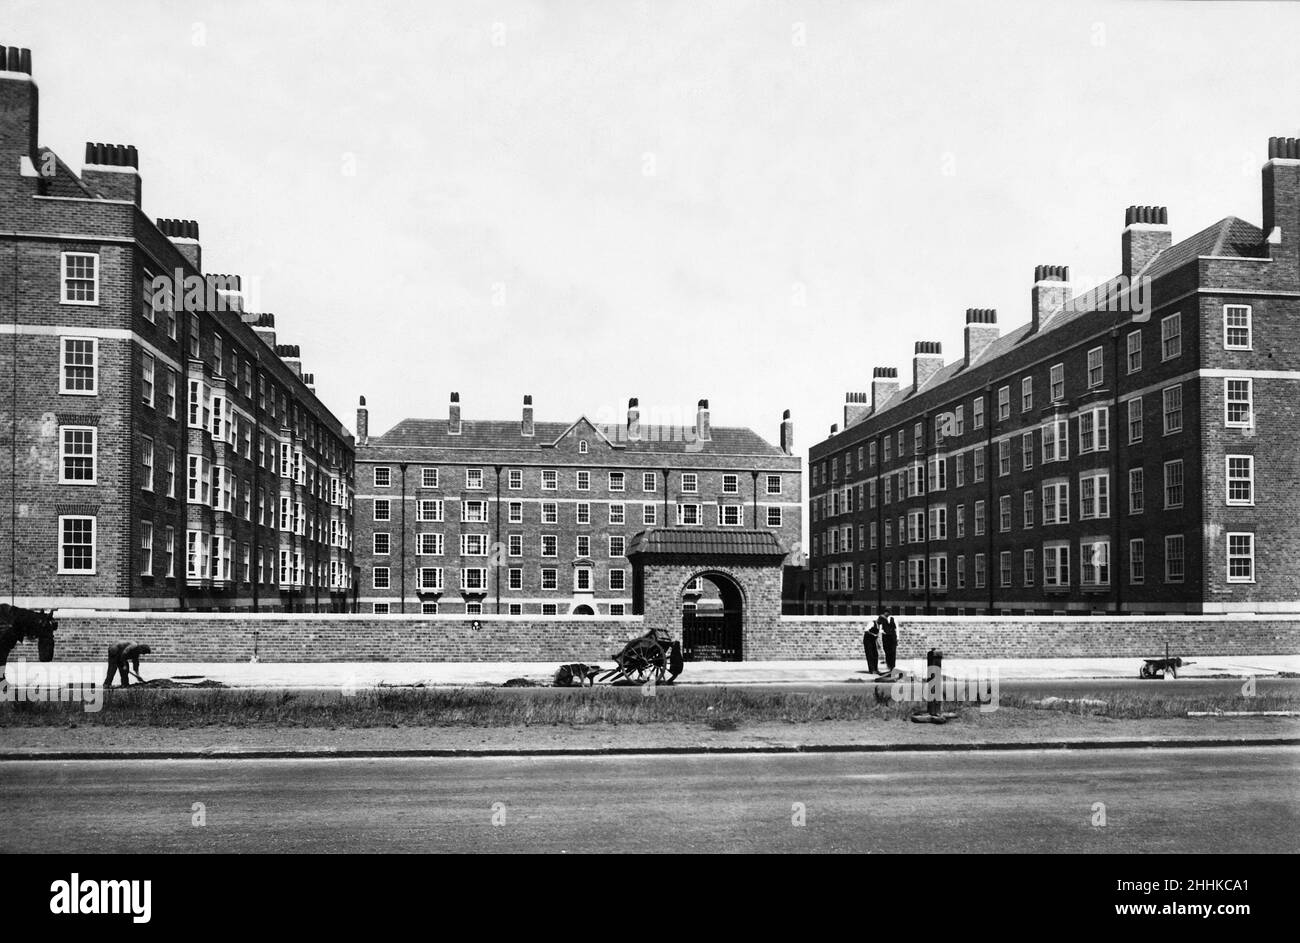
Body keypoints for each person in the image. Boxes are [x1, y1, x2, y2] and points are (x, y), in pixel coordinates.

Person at [876, 608, 898, 673]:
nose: (885, 614)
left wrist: (898, 638)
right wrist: (882, 631)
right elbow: (878, 626)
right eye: (885, 613)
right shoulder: (881, 619)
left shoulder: (893, 619)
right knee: (887, 651)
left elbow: (897, 629)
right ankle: (888, 666)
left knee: (893, 652)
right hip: (885, 637)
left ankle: (892, 667)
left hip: (893, 637)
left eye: (887, 613)